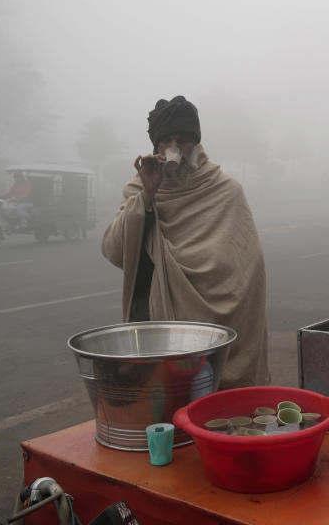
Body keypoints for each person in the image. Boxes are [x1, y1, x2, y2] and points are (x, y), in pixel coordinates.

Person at [101, 96, 270, 389]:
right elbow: (114, 251)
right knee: (167, 404)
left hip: (224, 329)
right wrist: (147, 196)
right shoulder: (139, 187)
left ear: (196, 142)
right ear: (156, 146)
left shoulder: (225, 190)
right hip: (162, 318)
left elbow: (248, 268)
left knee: (229, 412)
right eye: (166, 140)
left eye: (183, 139)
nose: (175, 148)